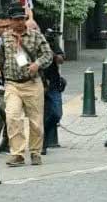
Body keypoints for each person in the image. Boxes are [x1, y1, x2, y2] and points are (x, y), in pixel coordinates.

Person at [0, 2, 53, 167]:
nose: (19, 22)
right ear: (10, 21)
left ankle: (35, 152)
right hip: (12, 84)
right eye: (16, 19)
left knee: (35, 122)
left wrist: (37, 64)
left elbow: (48, 54)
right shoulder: (5, 37)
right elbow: (1, 55)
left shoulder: (36, 36)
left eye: (22, 19)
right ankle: (17, 154)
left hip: (32, 84)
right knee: (12, 117)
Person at [41, 27, 65, 155]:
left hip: (53, 83)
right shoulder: (34, 44)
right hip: (38, 83)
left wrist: (52, 53)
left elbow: (61, 60)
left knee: (56, 114)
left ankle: (45, 133)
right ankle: (42, 143)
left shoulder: (52, 43)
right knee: (38, 116)